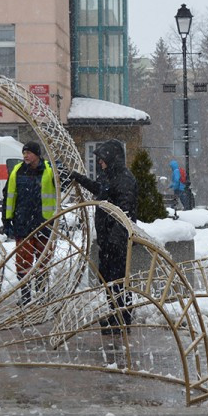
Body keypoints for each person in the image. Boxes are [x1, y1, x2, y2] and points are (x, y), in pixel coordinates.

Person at [69, 140, 138, 333]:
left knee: (118, 281)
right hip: (107, 240)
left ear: (111, 158)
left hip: (117, 241)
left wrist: (115, 240)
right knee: (109, 280)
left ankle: (122, 320)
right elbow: (99, 189)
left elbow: (125, 212)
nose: (100, 162)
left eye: (102, 159)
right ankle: (115, 315)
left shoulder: (124, 179)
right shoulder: (109, 177)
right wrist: (80, 179)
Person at [1, 140, 57, 306]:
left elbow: (63, 183)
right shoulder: (17, 171)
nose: (25, 155)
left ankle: (41, 294)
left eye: (29, 152)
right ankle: (25, 296)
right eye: (24, 152)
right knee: (23, 262)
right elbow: (9, 196)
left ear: (37, 155)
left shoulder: (49, 169)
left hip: (44, 223)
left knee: (43, 261)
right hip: (23, 223)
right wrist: (6, 220)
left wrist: (60, 168)